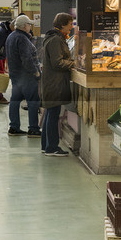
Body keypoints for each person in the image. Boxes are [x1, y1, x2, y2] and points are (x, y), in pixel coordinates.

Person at [39, 13, 75, 156]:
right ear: (63, 24)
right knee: (53, 115)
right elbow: (57, 63)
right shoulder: (56, 40)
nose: (71, 27)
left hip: (51, 82)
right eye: (70, 24)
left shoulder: (53, 38)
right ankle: (52, 147)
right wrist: (73, 63)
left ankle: (46, 145)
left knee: (50, 113)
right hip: (55, 83)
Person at [4, 15, 41, 138]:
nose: (30, 26)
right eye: (29, 24)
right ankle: (33, 129)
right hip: (26, 76)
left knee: (14, 101)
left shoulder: (11, 36)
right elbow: (26, 58)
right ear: (24, 26)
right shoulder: (22, 38)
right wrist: (35, 72)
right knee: (33, 102)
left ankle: (14, 127)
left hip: (15, 75)